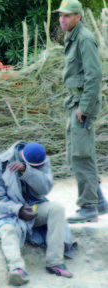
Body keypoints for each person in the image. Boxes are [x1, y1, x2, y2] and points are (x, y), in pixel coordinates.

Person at [0, 141, 77, 286]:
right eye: (33, 166)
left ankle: (55, 263)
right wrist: (17, 210)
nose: (39, 167)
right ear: (22, 157)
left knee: (56, 209)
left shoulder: (42, 160)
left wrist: (28, 171)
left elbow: (45, 188)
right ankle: (17, 269)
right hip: (9, 213)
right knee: (7, 230)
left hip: (33, 208)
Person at [54, 0, 108, 223]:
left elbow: (94, 76)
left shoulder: (84, 38)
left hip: (82, 103)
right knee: (77, 153)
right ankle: (99, 201)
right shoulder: (73, 36)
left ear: (78, 17)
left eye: (67, 16)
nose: (62, 19)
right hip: (75, 101)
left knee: (81, 155)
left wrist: (84, 108)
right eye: (61, 15)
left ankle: (87, 207)